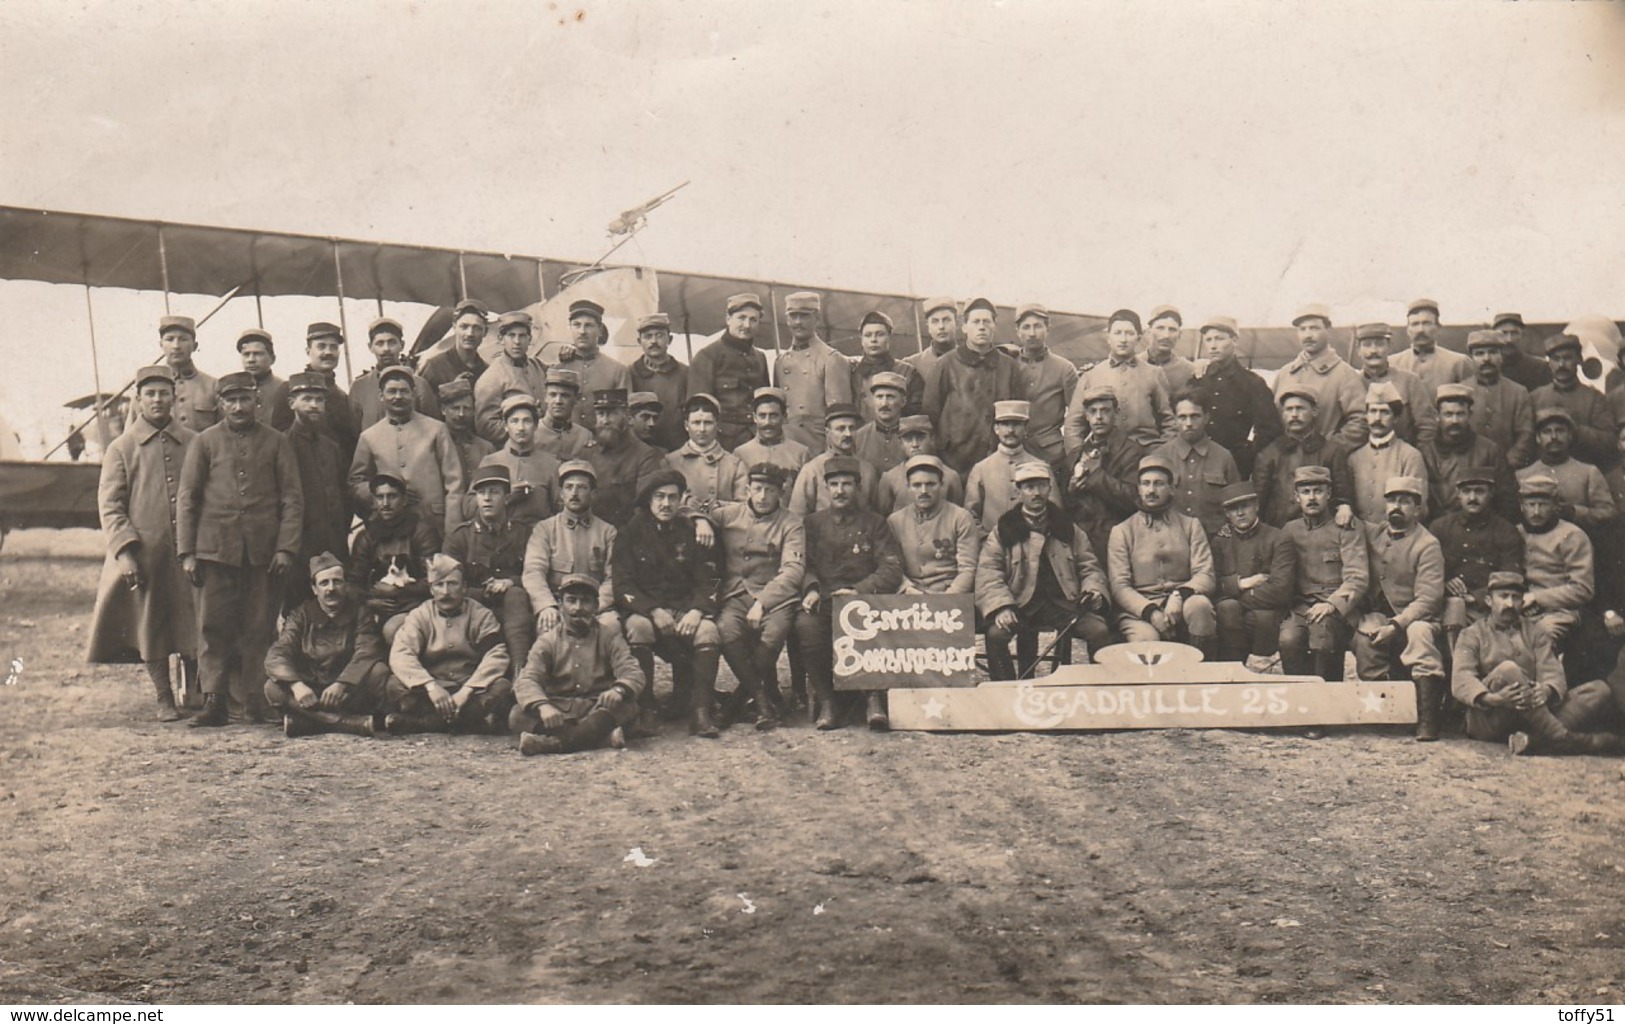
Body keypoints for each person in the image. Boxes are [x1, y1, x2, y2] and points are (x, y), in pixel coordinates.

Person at [177, 371, 305, 727]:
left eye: (244, 399)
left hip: (263, 555)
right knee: (212, 627)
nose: (238, 406)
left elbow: (292, 499)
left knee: (260, 627)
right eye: (230, 400)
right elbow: (187, 499)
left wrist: (286, 548)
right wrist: (187, 552)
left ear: (257, 402)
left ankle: (255, 703)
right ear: (220, 404)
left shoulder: (277, 442)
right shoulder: (204, 443)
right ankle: (214, 703)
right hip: (214, 551)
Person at [87, 364, 198, 721]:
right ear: (139, 399)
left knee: (191, 618)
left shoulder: (195, 442)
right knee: (151, 624)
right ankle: (164, 696)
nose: (157, 400)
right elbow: (111, 505)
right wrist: (125, 551)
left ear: (173, 397)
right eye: (149, 393)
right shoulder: (122, 448)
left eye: (163, 393)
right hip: (145, 552)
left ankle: (194, 689)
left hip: (188, 549)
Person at [1451, 572, 1624, 756]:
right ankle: (1567, 739)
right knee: (1509, 669)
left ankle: (1533, 741)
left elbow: (1551, 671)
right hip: (1491, 718)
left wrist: (1547, 690)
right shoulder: (1472, 634)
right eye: (1503, 596)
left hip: (1531, 718)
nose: (1509, 604)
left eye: (1516, 597)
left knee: (1599, 690)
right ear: (1488, 600)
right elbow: (1462, 679)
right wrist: (1494, 699)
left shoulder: (1536, 632)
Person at [797, 456, 903, 730]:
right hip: (824, 599)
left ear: (858, 487)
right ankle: (828, 702)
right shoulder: (812, 524)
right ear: (826, 488)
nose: (840, 490)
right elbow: (803, 563)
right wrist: (811, 589)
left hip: (863, 600)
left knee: (865, 620)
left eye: (847, 484)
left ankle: (873, 699)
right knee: (805, 627)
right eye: (834, 484)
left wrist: (859, 590)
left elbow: (890, 568)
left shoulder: (875, 523)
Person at [980, 461, 1113, 676]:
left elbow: (1089, 566)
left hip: (1063, 603)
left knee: (1099, 630)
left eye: (1041, 486)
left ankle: (1100, 687)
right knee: (995, 635)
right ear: (1018, 490)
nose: (1036, 493)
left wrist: (1093, 591)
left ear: (1049, 488)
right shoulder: (1004, 529)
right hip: (1019, 604)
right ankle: (1003, 689)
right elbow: (989, 572)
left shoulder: (1068, 528)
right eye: (1029, 487)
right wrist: (1001, 606)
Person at [613, 470, 723, 731]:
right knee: (638, 628)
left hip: (685, 610)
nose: (666, 504)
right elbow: (622, 585)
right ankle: (646, 707)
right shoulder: (630, 533)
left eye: (672, 497)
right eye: (659, 497)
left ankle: (700, 712)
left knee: (708, 631)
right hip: (647, 611)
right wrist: (652, 610)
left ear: (681, 499)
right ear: (649, 500)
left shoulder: (693, 531)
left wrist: (697, 610)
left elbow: (710, 579)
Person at [711, 462, 805, 734]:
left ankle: (736, 704)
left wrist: (763, 602)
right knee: (725, 629)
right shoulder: (729, 514)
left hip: (775, 597)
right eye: (758, 489)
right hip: (736, 593)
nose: (763, 496)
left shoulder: (791, 524)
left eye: (770, 490)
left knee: (773, 635)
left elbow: (793, 569)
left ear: (781, 493)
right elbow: (692, 512)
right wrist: (700, 522)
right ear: (747, 490)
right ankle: (763, 701)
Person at [1353, 476, 1448, 739]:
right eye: (1392, 500)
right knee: (1365, 636)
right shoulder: (1375, 533)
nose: (1397, 507)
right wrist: (1343, 507)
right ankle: (1390, 711)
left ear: (1418, 509)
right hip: (1381, 615)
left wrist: (1397, 625)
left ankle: (1427, 719)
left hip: (1417, 617)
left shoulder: (1427, 544)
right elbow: (1352, 524)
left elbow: (1429, 599)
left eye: (1405, 501)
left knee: (1419, 635)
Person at [511, 573, 645, 755]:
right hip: (560, 710)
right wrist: (543, 706)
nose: (577, 608)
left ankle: (553, 744)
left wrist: (618, 690)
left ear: (596, 606)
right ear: (560, 605)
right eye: (571, 601)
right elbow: (527, 679)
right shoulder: (548, 641)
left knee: (626, 707)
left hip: (597, 707)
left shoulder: (610, 636)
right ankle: (601, 739)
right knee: (517, 715)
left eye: (585, 601)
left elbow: (633, 672)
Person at [263, 552, 388, 738]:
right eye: (324, 583)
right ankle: (347, 724)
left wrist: (342, 684)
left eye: (337, 582)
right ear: (314, 589)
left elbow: (367, 651)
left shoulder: (360, 612)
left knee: (379, 672)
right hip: (311, 692)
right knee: (272, 688)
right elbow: (278, 654)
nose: (331, 588)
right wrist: (297, 686)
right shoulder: (301, 615)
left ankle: (310, 722)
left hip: (346, 692)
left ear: (345, 585)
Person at [384, 554, 513, 735]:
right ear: (431, 590)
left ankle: (424, 724)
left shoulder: (480, 615)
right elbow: (401, 653)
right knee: (394, 684)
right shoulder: (420, 615)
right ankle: (470, 724)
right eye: (439, 585)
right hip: (432, 688)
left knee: (502, 686)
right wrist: (430, 686)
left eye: (452, 584)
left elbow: (496, 654)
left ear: (464, 588)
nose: (445, 592)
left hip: (469, 687)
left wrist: (466, 691)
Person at [1106, 455, 1217, 654]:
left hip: (1182, 603)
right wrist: (1151, 612)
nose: (1151, 490)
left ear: (1171, 489)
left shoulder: (1190, 525)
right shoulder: (1122, 531)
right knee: (1147, 641)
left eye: (1159, 484)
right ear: (1138, 488)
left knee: (1200, 606)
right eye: (1145, 484)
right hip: (1138, 611)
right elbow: (1120, 586)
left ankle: (1204, 675)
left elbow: (1205, 575)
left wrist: (1180, 595)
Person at [348, 364, 464, 540]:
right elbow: (356, 482)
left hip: (434, 523)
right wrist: (382, 491)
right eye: (391, 391)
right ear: (381, 395)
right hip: (390, 529)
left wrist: (453, 530)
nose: (398, 396)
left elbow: (454, 482)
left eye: (403, 391)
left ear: (413, 393)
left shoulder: (437, 429)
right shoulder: (369, 436)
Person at [1277, 466, 1368, 681]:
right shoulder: (1290, 530)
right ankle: (1299, 700)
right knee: (1288, 639)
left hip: (1338, 609)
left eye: (1318, 491)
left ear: (1329, 494)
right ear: (1296, 497)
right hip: (1302, 607)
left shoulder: (1347, 528)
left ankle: (1329, 700)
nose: (1312, 498)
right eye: (1305, 492)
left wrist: (1331, 604)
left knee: (1322, 634)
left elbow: (1358, 577)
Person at [443, 464, 536, 675]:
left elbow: (536, 573)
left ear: (506, 498)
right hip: (472, 606)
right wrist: (483, 591)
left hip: (513, 609)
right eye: (481, 492)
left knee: (516, 595)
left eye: (494, 492)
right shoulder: (459, 536)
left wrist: (510, 582)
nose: (486, 498)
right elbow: (449, 581)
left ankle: (520, 671)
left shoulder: (524, 533)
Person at [921, 297, 1019, 475]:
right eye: (975, 322)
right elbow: (930, 415)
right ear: (964, 327)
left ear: (994, 326)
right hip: (954, 460)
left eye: (986, 322)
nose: (981, 327)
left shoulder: (1009, 366)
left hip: (997, 457)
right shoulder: (945, 364)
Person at [522, 460, 621, 635]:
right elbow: (533, 572)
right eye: (568, 487)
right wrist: (546, 605)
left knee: (610, 626)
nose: (574, 493)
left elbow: (614, 578)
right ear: (561, 493)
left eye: (582, 487)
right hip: (558, 605)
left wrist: (594, 606)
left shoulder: (608, 532)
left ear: (593, 493)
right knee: (548, 627)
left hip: (597, 608)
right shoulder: (545, 529)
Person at [1432, 469, 1526, 647]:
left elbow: (1510, 577)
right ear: (1458, 494)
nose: (1472, 497)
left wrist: (1476, 597)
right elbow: (1428, 567)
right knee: (1453, 607)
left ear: (1491, 493)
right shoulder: (1440, 528)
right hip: (1445, 605)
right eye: (1466, 491)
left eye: (1479, 491)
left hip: (1486, 607)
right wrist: (1444, 581)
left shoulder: (1506, 531)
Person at [281, 371, 351, 606]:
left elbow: (343, 496)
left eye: (319, 400)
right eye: (307, 398)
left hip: (333, 545)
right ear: (292, 403)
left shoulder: (331, 448)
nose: (314, 405)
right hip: (298, 550)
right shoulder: (280, 446)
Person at [1184, 315, 1280, 478]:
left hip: (1234, 467)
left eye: (1219, 339)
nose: (1213, 346)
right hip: (1197, 465)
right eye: (1208, 340)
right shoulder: (1198, 380)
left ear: (1234, 340)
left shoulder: (1253, 383)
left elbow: (1269, 429)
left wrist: (1248, 455)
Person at [1210, 481, 1295, 665]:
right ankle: (1232, 672)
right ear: (1226, 514)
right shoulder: (1220, 542)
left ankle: (1257, 667)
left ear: (1256, 506)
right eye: (1233, 509)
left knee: (1244, 613)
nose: (1240, 513)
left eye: (1245, 506)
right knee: (1227, 610)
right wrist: (1242, 583)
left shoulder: (1277, 538)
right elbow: (1214, 584)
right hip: (1233, 613)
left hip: (1267, 612)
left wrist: (1236, 597)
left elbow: (1281, 589)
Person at [1068, 309, 1174, 450]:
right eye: (1117, 333)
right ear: (1108, 337)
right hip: (1104, 453)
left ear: (1139, 337)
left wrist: (1162, 453)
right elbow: (1074, 424)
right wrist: (1078, 458)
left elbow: (1170, 421)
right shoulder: (1091, 375)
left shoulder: (1154, 373)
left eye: (1129, 333)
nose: (1123, 339)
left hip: (1146, 452)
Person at [1252, 386, 1357, 527]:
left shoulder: (1332, 451)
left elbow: (1343, 495)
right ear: (1282, 414)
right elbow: (1258, 502)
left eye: (1300, 408)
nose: (1294, 414)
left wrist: (1344, 506)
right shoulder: (1269, 454)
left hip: (1320, 531)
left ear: (1314, 411)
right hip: (1280, 531)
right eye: (1289, 409)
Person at [1058, 385, 1142, 561]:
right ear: (1086, 416)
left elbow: (1134, 499)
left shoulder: (1132, 452)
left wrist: (1096, 475)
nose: (1099, 417)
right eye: (1093, 411)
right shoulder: (1076, 454)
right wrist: (1072, 490)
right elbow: (1063, 504)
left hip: (1116, 539)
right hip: (1079, 539)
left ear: (1116, 413)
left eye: (1105, 411)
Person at [347, 473, 438, 633]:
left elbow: (433, 580)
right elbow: (355, 582)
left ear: (404, 500)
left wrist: (399, 591)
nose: (385, 503)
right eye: (380, 497)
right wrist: (370, 602)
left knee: (392, 631)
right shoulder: (366, 537)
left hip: (415, 606)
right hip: (375, 606)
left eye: (392, 496)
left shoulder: (421, 532)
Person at [1514, 473, 1593, 649]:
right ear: (1521, 506)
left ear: (1555, 506)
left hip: (1559, 611)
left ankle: (1547, 677)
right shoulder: (1516, 533)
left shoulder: (1572, 536)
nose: (1536, 512)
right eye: (1531, 504)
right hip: (1520, 610)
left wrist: (1537, 597)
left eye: (1543, 505)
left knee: (1541, 636)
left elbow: (1583, 589)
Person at [1271, 303, 1367, 445]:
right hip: (1285, 461)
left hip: (1324, 464)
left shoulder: (1345, 374)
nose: (1308, 335)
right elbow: (1271, 419)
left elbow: (1360, 421)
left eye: (1314, 328)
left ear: (1329, 331)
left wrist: (1329, 449)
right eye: (1302, 329)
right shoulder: (1285, 373)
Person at [1421, 383, 1516, 522]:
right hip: (1435, 530)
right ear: (1437, 416)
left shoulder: (1490, 450)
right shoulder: (1425, 453)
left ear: (1469, 415)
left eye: (1460, 414)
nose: (1454, 421)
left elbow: (1506, 497)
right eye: (1448, 414)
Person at [772, 291, 852, 452]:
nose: (798, 322)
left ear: (817, 318)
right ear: (787, 319)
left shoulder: (831, 359)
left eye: (804, 316)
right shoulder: (781, 362)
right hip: (786, 446)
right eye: (793, 316)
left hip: (816, 447)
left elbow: (839, 417)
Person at [689, 293, 770, 451]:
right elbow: (699, 411)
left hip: (756, 441)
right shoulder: (707, 356)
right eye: (741, 317)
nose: (747, 325)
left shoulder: (760, 357)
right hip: (722, 444)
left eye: (753, 319)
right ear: (728, 319)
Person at [1516, 408, 1616, 536]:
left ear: (1570, 436)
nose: (1554, 437)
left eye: (1560, 431)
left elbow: (1608, 512)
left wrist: (1575, 512)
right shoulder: (1522, 476)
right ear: (1538, 438)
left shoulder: (1588, 472)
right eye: (1547, 432)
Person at [1154, 390, 1240, 537]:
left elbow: (1236, 505)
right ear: (1174, 420)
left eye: (1195, 416)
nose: (1189, 423)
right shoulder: (1160, 456)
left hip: (1213, 540)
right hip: (1171, 539)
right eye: (1182, 417)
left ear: (1206, 418)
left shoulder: (1223, 457)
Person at [581, 388, 672, 527]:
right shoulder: (588, 453)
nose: (605, 420)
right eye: (601, 414)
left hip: (625, 532)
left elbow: (645, 508)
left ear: (627, 417)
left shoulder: (646, 456)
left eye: (612, 414)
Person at [890, 454, 979, 596]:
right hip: (909, 595)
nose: (924, 491)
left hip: (950, 595)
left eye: (930, 484)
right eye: (917, 485)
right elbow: (892, 566)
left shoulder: (961, 517)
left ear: (941, 484)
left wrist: (948, 596)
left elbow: (968, 568)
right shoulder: (895, 521)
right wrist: (907, 589)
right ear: (908, 487)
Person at [470, 392, 561, 529]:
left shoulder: (551, 464)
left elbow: (561, 509)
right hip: (499, 538)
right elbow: (468, 507)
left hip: (538, 538)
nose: (521, 428)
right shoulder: (491, 461)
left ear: (536, 426)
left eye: (527, 421)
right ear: (506, 426)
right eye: (514, 421)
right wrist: (506, 497)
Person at [964, 400, 1058, 531]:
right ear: (996, 428)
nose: (1010, 430)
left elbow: (1056, 512)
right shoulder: (981, 469)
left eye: (1017, 424)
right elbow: (970, 515)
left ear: (1025, 428)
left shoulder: (1042, 467)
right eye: (1005, 424)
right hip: (992, 545)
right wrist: (986, 541)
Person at [1347, 381, 1427, 525]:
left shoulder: (1410, 456)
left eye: (1384, 412)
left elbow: (1418, 508)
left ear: (1395, 418)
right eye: (1373, 411)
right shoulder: (1354, 458)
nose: (1377, 418)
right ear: (1366, 416)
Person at [1010, 303, 1079, 463]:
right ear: (1018, 332)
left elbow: (1077, 416)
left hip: (1052, 455)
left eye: (1038, 326)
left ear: (1048, 329)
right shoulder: (1008, 364)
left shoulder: (1064, 368)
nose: (1032, 333)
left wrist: (1071, 452)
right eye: (1026, 327)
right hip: (1014, 450)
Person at [1352, 322, 1436, 446]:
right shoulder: (1351, 382)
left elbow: (1427, 427)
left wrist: (1414, 457)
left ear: (1389, 347)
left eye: (1380, 344)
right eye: (1367, 345)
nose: (1373, 350)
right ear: (1358, 350)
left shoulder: (1410, 381)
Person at [349, 317, 440, 429]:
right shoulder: (359, 387)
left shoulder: (419, 384)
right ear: (370, 347)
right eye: (379, 343)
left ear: (402, 345)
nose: (386, 349)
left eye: (392, 342)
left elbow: (433, 427)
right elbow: (353, 433)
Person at [284, 322, 359, 459]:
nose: (328, 352)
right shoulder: (288, 390)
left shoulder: (342, 396)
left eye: (333, 347)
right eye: (321, 346)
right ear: (308, 351)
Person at [474, 311, 550, 444]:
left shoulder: (536, 366)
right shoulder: (491, 378)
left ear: (530, 339)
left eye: (522, 336)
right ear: (501, 339)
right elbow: (486, 427)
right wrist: (525, 434)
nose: (517, 342)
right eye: (511, 336)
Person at [789, 403, 880, 514]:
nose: (848, 434)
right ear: (828, 432)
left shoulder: (867, 469)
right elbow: (797, 514)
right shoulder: (812, 469)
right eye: (841, 429)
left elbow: (875, 514)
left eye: (852, 428)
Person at [1465, 328, 1535, 469]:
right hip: (1469, 471)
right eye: (1479, 354)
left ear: (1501, 356)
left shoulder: (1518, 392)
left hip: (1508, 471)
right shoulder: (1461, 390)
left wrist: (1506, 466)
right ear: (1471, 358)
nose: (1486, 358)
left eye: (1492, 352)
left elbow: (1526, 434)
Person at [667, 393, 748, 514]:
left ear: (717, 425)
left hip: (724, 528)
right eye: (696, 423)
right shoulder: (671, 462)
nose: (702, 429)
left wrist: (719, 505)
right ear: (686, 426)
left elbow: (745, 507)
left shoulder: (734, 464)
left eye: (708, 422)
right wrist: (685, 501)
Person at [556, 299, 630, 429]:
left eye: (589, 325)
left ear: (600, 330)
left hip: (604, 445)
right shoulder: (558, 369)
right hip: (567, 445)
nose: (582, 331)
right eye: (576, 325)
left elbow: (625, 418)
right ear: (570, 328)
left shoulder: (618, 371)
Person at [875, 415, 964, 513]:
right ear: (900, 443)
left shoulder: (950, 476)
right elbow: (883, 518)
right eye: (908, 439)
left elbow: (957, 513)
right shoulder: (890, 478)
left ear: (932, 439)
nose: (915, 444)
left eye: (920, 438)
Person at [627, 313, 689, 452]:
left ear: (670, 339)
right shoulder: (629, 373)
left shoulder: (685, 373)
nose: (654, 341)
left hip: (677, 446)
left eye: (659, 335)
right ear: (639, 341)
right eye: (647, 336)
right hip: (640, 449)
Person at [850, 310, 924, 422]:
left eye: (880, 334)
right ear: (861, 340)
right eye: (868, 335)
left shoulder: (907, 372)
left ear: (889, 337)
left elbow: (915, 414)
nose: (873, 340)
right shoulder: (852, 373)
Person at [1391, 298, 1472, 394]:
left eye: (1427, 323)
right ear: (1408, 330)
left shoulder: (1459, 363)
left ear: (1437, 328)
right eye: (1415, 324)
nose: (1420, 330)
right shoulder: (1392, 363)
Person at [733, 387, 812, 484]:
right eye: (762, 416)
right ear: (754, 418)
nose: (767, 422)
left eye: (773, 416)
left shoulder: (801, 453)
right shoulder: (740, 454)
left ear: (784, 417)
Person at [156, 314, 218, 432]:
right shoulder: (149, 388)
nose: (176, 346)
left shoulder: (213, 386)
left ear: (195, 346)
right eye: (169, 339)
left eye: (183, 339)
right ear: (161, 344)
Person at [418, 298, 491, 394]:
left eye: (477, 328)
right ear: (454, 328)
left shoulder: (487, 372)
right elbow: (420, 404)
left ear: (485, 332)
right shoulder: (434, 366)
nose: (470, 333)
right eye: (464, 327)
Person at [438, 378, 495, 485]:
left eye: (467, 408)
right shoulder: (434, 446)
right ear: (443, 410)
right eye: (455, 408)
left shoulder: (486, 448)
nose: (461, 414)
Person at [852, 371, 911, 473]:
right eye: (879, 397)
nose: (884, 403)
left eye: (890, 397)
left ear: (903, 401)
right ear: (872, 401)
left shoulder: (913, 436)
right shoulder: (858, 437)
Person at [535, 367, 593, 459]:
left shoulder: (585, 437)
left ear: (577, 399)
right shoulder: (533, 432)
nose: (558, 401)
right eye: (553, 395)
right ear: (545, 396)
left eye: (565, 395)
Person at [236, 328, 289, 427]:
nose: (251, 360)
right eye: (246, 354)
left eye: (257, 354)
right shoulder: (233, 391)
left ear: (272, 359)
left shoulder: (283, 388)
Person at [1492, 312, 1553, 392]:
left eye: (1514, 333)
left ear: (1522, 335)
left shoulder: (1540, 368)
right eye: (1504, 333)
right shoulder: (1486, 367)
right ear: (1493, 335)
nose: (1509, 339)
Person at [1142, 305, 1196, 396]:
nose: (1166, 335)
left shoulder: (1188, 370)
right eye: (1160, 328)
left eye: (1172, 330)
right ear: (1148, 332)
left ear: (1179, 335)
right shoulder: (1133, 364)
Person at [902, 296, 960, 379]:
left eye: (946, 320)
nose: (941, 326)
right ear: (928, 327)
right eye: (935, 321)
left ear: (956, 323)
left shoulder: (970, 360)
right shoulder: (911, 364)